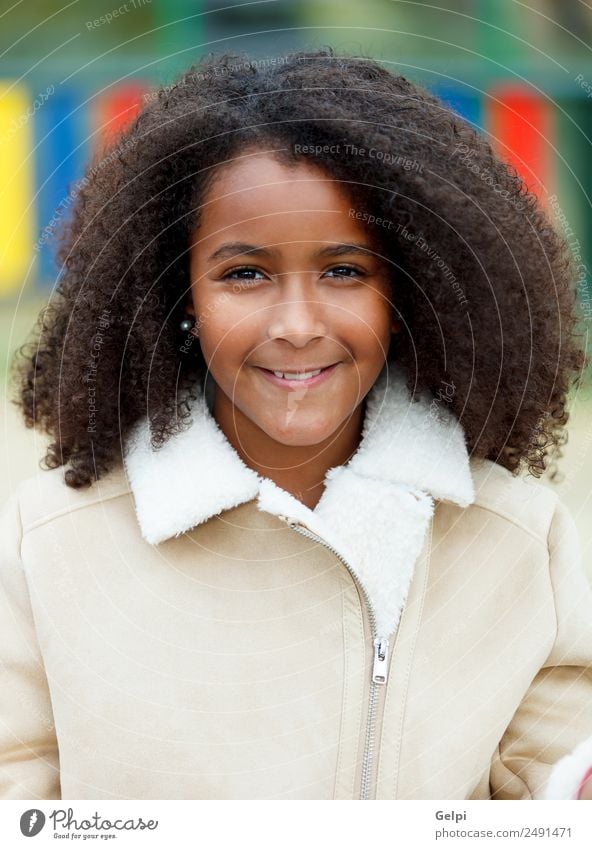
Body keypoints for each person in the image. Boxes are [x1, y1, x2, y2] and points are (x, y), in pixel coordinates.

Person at [1, 48, 592, 801]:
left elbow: (559, 767)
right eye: (244, 273)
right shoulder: (52, 542)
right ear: (177, 291)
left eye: (345, 270)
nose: (297, 324)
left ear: (410, 289)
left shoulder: (512, 536)